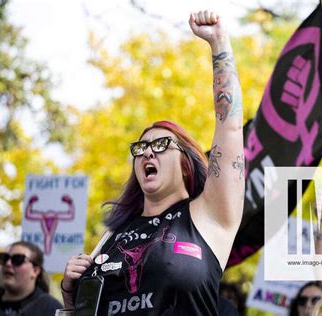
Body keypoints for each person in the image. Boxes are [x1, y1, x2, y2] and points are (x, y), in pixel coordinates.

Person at [61, 10, 244, 316]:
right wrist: (70, 289)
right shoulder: (112, 237)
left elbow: (230, 126)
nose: (147, 153)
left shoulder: (207, 216)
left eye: (160, 145)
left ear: (185, 161)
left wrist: (219, 43)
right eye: (141, 147)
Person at [0, 241, 63, 315]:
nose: (8, 264)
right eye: (4, 258)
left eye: (18, 259)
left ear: (35, 271)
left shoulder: (51, 309)